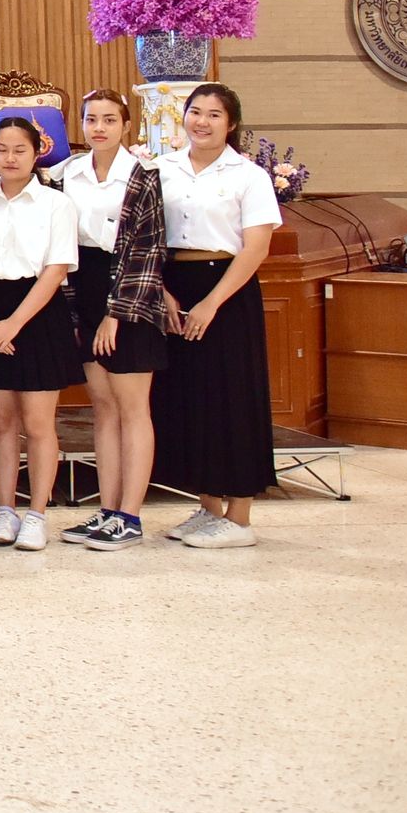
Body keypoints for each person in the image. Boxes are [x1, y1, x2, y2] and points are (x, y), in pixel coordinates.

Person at [149, 82, 283, 548]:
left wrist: (212, 302)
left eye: (213, 115)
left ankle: (239, 517)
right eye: (195, 112)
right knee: (190, 399)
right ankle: (207, 507)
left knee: (233, 399)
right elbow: (146, 236)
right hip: (173, 286)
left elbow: (256, 248)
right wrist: (162, 291)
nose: (201, 122)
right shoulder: (162, 168)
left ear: (232, 123)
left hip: (228, 289)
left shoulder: (248, 175)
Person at [56, 90, 169, 549]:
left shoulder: (143, 176)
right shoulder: (68, 174)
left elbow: (148, 250)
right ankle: (107, 509)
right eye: (91, 119)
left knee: (132, 406)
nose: (99, 128)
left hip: (129, 296)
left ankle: (131, 515)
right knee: (102, 406)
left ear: (126, 125)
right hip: (85, 288)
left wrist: (115, 314)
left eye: (108, 119)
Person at [0, 117, 84, 552]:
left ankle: (37, 514)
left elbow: (56, 269)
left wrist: (13, 324)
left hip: (37, 312)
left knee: (37, 422)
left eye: (20, 150)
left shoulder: (56, 203)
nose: (10, 158)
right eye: (2, 149)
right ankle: (5, 509)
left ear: (37, 153)